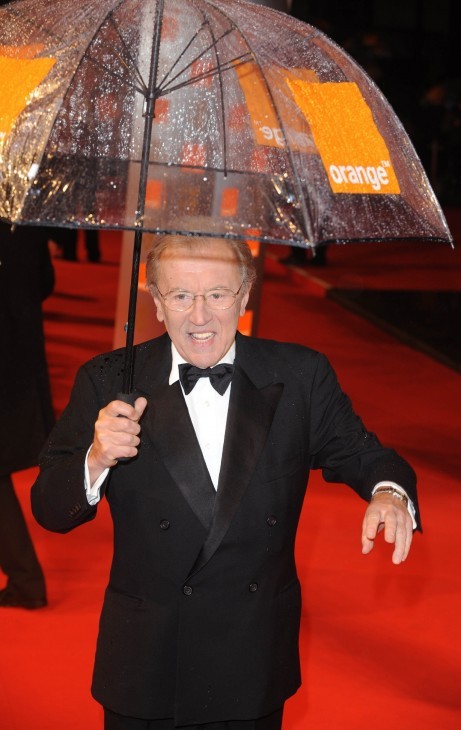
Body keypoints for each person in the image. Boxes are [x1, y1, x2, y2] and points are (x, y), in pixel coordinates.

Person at [31, 235, 420, 729]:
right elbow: (49, 508)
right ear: (156, 302)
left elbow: (366, 455)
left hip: (251, 657)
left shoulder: (300, 375)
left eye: (217, 294)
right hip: (147, 661)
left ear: (244, 295)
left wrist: (388, 492)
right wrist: (96, 458)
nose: (200, 316)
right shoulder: (107, 381)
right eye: (180, 295)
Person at [0, 222, 55, 609]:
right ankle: (24, 578)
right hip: (19, 351)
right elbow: (44, 282)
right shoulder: (23, 221)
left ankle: (25, 578)